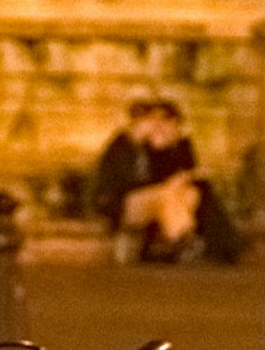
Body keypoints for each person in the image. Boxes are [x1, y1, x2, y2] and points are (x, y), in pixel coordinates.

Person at [88, 98, 242, 264]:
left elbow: (176, 172)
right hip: (121, 203)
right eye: (151, 121)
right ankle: (180, 239)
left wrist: (172, 146)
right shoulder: (122, 146)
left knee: (188, 194)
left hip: (151, 197)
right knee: (167, 193)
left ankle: (181, 240)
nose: (155, 127)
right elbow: (126, 184)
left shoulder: (151, 147)